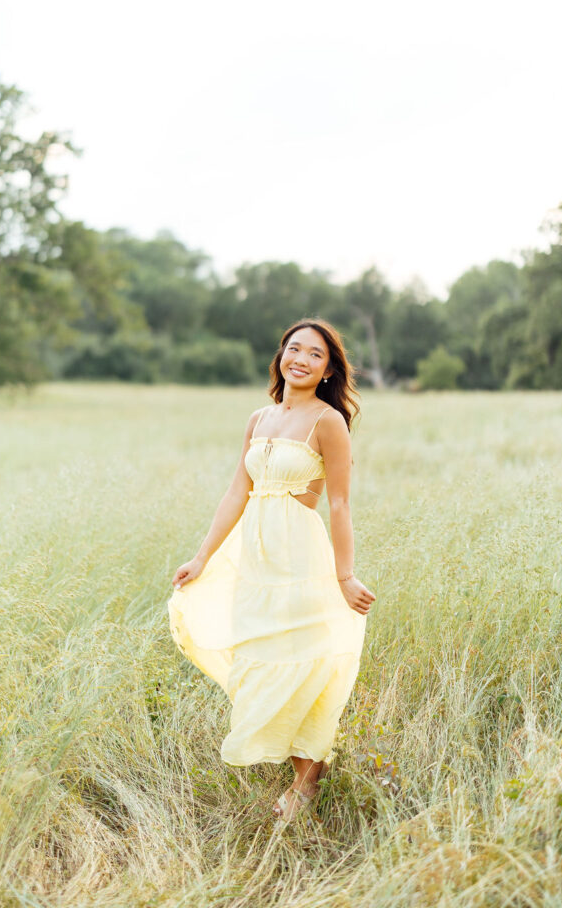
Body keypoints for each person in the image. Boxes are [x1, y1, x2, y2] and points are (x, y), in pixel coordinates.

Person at [167, 317, 376, 826]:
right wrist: (202, 557)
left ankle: (307, 780)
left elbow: (341, 504)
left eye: (315, 355)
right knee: (261, 656)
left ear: (328, 370)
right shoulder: (259, 418)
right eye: (294, 349)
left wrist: (345, 576)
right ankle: (306, 760)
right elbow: (236, 492)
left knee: (303, 656)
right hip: (255, 557)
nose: (301, 360)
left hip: (300, 556)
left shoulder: (327, 422)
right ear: (281, 354)